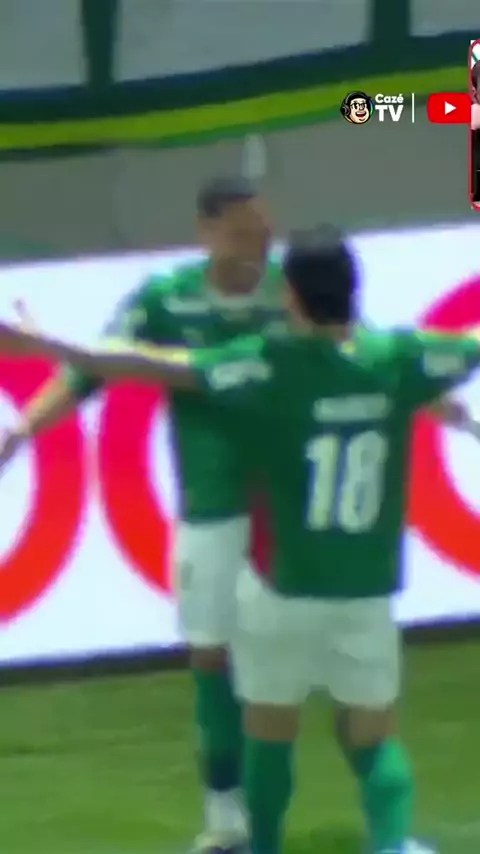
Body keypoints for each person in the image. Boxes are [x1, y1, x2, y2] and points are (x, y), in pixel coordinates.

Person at [4, 228, 480, 854]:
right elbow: (469, 344)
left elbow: (140, 363)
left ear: (291, 295)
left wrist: (43, 344)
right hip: (366, 592)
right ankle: (392, 845)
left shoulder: (266, 364)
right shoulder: (400, 357)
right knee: (373, 736)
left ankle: (260, 845)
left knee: (268, 730)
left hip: (281, 589)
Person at [0, 176, 282, 854]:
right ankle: (227, 821)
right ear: (209, 232)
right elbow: (91, 370)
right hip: (210, 511)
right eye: (243, 232)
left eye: (263, 232)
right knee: (212, 659)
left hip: (288, 513)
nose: (257, 245)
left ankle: (331, 818)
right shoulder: (165, 298)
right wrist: (23, 429)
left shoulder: (291, 292)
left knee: (287, 668)